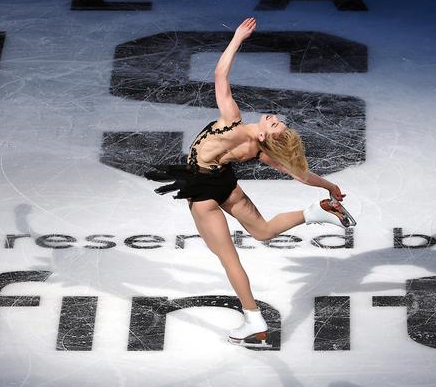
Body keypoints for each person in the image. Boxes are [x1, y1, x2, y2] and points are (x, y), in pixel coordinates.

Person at [145, 17, 355, 347]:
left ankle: (253, 319)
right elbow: (299, 174)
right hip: (226, 184)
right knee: (263, 231)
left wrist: (237, 39)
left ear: (265, 135)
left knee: (229, 259)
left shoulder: (232, 120)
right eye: (276, 120)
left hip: (203, 192)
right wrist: (328, 188)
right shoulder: (259, 151)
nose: (273, 118)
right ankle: (317, 211)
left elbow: (219, 75)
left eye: (275, 124)